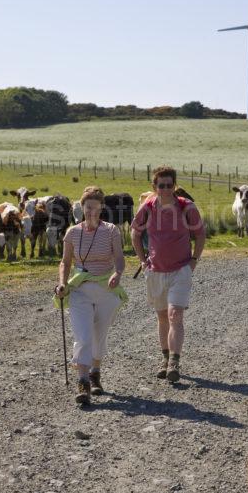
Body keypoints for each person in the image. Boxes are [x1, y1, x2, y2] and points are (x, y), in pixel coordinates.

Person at [131, 166, 206, 382]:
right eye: (161, 185)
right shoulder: (147, 208)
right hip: (155, 271)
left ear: (174, 185)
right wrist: (142, 261)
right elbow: (135, 234)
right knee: (162, 316)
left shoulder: (186, 207)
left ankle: (174, 362)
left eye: (169, 185)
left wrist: (193, 260)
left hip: (181, 269)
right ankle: (165, 359)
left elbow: (200, 235)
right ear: (154, 187)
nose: (165, 189)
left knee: (175, 315)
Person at [54, 186, 126, 405]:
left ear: (101, 208)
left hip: (106, 288)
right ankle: (83, 381)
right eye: (88, 208)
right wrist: (62, 283)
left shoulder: (112, 230)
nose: (91, 212)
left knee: (99, 335)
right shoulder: (72, 232)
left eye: (95, 208)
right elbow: (65, 262)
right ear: (82, 208)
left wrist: (118, 273)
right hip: (81, 289)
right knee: (83, 337)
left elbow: (119, 258)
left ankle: (96, 373)